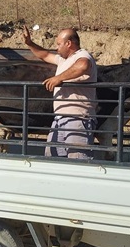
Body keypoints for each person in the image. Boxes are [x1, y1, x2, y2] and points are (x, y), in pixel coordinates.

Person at [23, 26, 98, 159]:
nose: (56, 48)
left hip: (78, 118)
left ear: (68, 43)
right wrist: (30, 43)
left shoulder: (82, 55)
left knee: (78, 160)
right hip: (60, 119)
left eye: (59, 44)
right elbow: (44, 55)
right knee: (52, 156)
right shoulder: (64, 60)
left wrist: (59, 78)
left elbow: (83, 65)